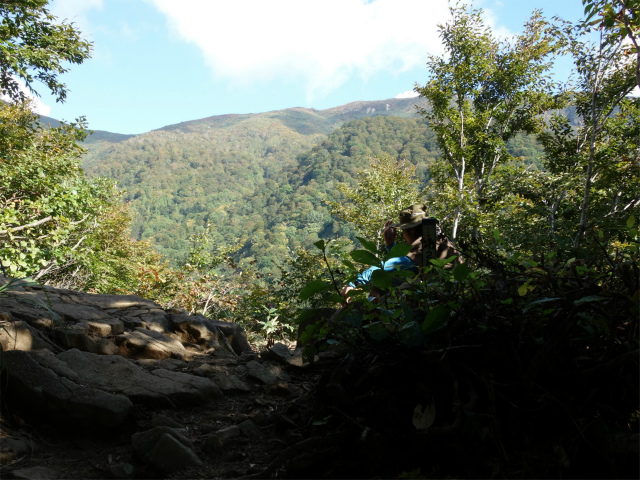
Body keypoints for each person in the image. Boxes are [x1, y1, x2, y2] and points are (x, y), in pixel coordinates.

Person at [340, 204, 429, 301]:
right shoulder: (436, 245)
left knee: (378, 289)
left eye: (403, 231)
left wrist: (353, 284)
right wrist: (391, 245)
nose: (403, 236)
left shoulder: (415, 257)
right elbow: (405, 261)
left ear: (411, 230)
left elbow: (382, 268)